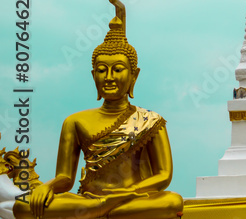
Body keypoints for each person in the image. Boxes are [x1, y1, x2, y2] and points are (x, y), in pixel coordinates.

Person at [15, 19, 182, 219]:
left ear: (134, 75)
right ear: (93, 75)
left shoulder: (150, 120)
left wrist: (129, 192)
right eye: (102, 70)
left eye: (118, 69)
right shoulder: (75, 121)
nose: (109, 77)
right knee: (22, 206)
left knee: (172, 202)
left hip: (131, 198)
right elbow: (65, 178)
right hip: (89, 199)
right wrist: (47, 186)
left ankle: (100, 209)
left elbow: (163, 175)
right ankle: (101, 207)